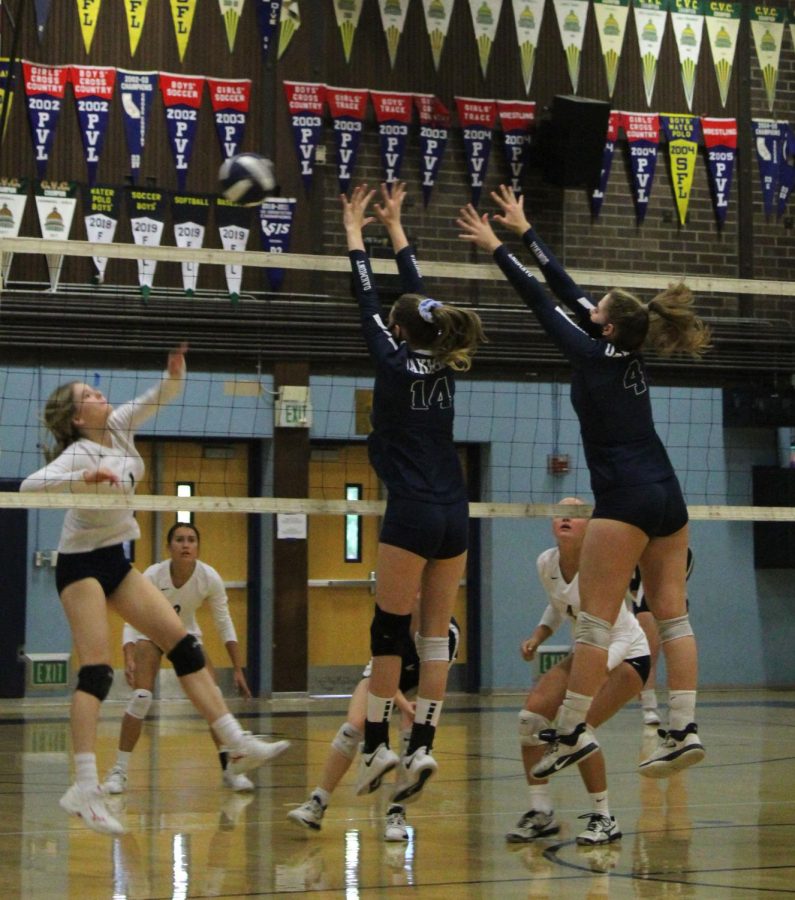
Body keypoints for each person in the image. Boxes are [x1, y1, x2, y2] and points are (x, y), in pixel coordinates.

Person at [457, 187, 709, 779]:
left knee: (595, 621)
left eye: (597, 313)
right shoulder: (629, 349)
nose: (587, 312)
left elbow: (544, 303)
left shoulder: (594, 355)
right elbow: (570, 293)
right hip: (667, 491)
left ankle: (570, 729)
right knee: (673, 615)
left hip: (624, 497)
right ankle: (684, 727)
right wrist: (526, 230)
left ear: (610, 328)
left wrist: (498, 248)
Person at [20, 345, 289, 835]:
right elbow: (28, 487)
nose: (101, 395)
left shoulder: (120, 424)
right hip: (79, 563)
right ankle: (84, 786)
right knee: (97, 672)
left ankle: (234, 741)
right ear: (79, 416)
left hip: (117, 559)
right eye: (90, 395)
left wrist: (175, 373)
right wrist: (83, 475)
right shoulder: (79, 451)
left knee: (185, 647)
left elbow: (160, 396)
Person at [342, 182, 485, 803]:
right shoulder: (446, 359)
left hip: (413, 513)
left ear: (398, 331)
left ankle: (375, 745)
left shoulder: (393, 360)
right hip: (456, 512)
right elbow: (417, 296)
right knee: (435, 637)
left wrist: (355, 233)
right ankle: (421, 744)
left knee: (387, 633)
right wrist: (397, 229)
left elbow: (366, 293)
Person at [508, 498, 650, 846]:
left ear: (592, 526)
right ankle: (541, 813)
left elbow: (620, 630)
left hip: (627, 654)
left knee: (578, 730)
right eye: (560, 512)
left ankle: (604, 817)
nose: (566, 517)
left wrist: (600, 669)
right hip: (587, 652)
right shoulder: (547, 562)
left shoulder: (603, 566)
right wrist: (538, 636)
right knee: (531, 720)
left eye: (577, 513)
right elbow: (559, 604)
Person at [103, 522, 255, 795]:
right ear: (169, 547)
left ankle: (230, 767)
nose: (186, 545)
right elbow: (131, 614)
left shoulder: (209, 578)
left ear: (198, 547)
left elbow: (224, 623)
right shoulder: (153, 574)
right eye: (180, 540)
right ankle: (119, 771)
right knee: (141, 697)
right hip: (151, 634)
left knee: (213, 696)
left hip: (185, 635)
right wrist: (129, 653)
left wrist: (237, 668)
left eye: (191, 540)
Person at [287, 612, 460, 841]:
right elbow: (383, 674)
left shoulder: (448, 632)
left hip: (419, 682)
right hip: (382, 677)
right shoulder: (395, 618)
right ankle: (317, 803)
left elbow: (434, 678)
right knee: (355, 726)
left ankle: (397, 812)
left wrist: (415, 708)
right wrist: (400, 702)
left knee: (414, 732)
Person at [631, 547, 694, 727]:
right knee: (649, 653)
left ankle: (679, 709)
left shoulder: (684, 550)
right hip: (645, 601)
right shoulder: (639, 546)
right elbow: (633, 584)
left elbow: (681, 577)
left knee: (676, 656)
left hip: (676, 599)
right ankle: (649, 707)